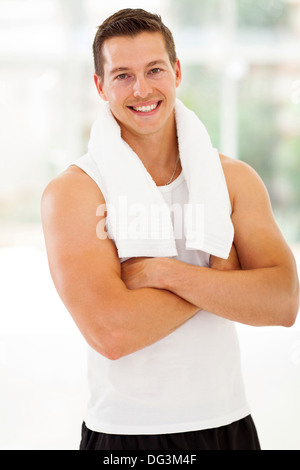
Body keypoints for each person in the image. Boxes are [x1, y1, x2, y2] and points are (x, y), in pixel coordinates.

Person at [41, 9, 299, 451]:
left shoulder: (233, 179)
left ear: (176, 72)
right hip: (125, 434)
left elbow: (282, 302)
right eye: (122, 75)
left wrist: (165, 273)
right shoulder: (74, 193)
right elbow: (112, 333)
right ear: (100, 86)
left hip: (228, 424)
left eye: (154, 69)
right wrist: (224, 277)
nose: (142, 90)